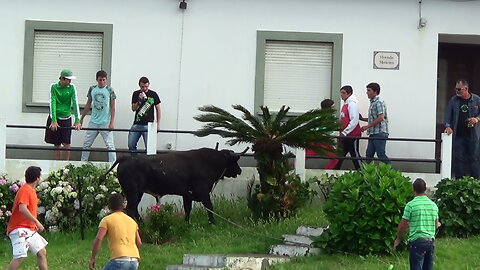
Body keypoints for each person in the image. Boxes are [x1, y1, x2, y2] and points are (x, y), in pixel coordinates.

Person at [6, 166, 48, 270]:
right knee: (19, 256)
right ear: (37, 178)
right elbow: (22, 208)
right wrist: (37, 222)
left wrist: (33, 225)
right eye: (40, 176)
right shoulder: (25, 190)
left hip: (29, 229)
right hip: (19, 228)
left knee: (41, 252)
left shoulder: (31, 191)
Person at [394, 178, 439, 270]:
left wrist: (398, 238)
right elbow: (436, 224)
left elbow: (403, 225)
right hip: (430, 241)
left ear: (413, 190)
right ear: (425, 189)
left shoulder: (410, 205)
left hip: (417, 241)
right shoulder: (433, 205)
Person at [89, 193, 142, 270]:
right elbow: (139, 243)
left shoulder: (107, 220)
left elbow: (99, 238)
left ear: (109, 207)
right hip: (134, 260)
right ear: (123, 206)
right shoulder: (132, 221)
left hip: (119, 259)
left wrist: (92, 258)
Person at [444, 79, 480, 179]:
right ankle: (459, 182)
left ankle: (476, 183)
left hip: (473, 135)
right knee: (459, 159)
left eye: (459, 89)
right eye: (456, 89)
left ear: (466, 89)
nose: (457, 91)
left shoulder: (476, 99)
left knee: (474, 159)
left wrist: (476, 119)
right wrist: (448, 126)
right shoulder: (453, 100)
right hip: (459, 135)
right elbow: (448, 115)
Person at [80, 70, 117, 162]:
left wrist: (112, 122)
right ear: (97, 80)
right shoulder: (92, 89)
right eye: (100, 80)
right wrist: (81, 118)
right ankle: (82, 163)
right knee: (87, 144)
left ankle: (113, 164)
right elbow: (88, 104)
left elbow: (113, 107)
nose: (102, 82)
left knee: (110, 145)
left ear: (106, 80)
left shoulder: (109, 90)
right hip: (93, 121)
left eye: (104, 80)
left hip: (105, 121)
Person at [45, 69, 81, 160]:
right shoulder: (53, 87)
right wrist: (53, 120)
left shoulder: (72, 87)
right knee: (56, 144)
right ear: (62, 79)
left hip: (66, 118)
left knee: (67, 143)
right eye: (68, 80)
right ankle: (56, 165)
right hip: (56, 117)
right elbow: (52, 103)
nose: (70, 82)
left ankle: (66, 165)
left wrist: (77, 120)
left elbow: (75, 102)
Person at [128, 77, 161, 154]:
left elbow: (158, 109)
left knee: (149, 147)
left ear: (149, 84)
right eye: (142, 87)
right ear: (139, 85)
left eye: (146, 86)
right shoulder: (136, 94)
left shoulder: (153, 94)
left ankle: (147, 163)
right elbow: (133, 108)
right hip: (137, 123)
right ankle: (135, 160)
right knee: (131, 144)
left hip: (149, 124)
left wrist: (158, 124)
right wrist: (139, 100)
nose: (144, 88)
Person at [360, 82, 390, 163]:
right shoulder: (373, 103)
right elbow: (374, 118)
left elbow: (380, 117)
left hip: (379, 132)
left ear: (375, 91)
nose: (367, 92)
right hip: (373, 133)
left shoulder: (379, 102)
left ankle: (390, 171)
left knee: (380, 154)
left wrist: (367, 127)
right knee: (369, 154)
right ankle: (369, 172)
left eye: (369, 90)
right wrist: (362, 119)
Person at [334, 85, 362, 170]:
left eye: (343, 93)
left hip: (352, 135)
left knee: (354, 154)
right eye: (341, 93)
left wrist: (345, 132)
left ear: (349, 94)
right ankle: (334, 171)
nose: (341, 95)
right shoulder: (346, 104)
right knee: (340, 155)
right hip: (345, 135)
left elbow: (354, 120)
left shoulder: (352, 104)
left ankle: (363, 172)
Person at [305, 99, 338, 169]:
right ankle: (326, 172)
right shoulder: (331, 117)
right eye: (333, 107)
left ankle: (292, 167)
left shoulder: (317, 115)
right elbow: (330, 130)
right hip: (322, 141)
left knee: (305, 156)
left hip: (313, 139)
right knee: (335, 158)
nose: (334, 109)